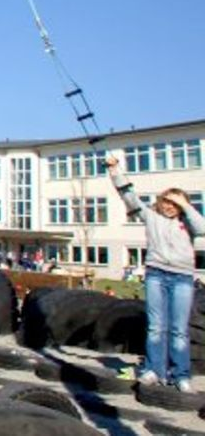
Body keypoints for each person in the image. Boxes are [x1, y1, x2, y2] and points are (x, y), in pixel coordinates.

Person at [108, 155, 205, 392]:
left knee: (178, 329)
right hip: (156, 274)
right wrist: (115, 170)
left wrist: (186, 204)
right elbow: (128, 197)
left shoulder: (188, 223)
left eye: (175, 204)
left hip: (182, 277)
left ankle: (180, 374)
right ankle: (154, 370)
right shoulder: (151, 217)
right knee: (155, 326)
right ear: (160, 202)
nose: (169, 207)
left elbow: (202, 229)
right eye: (167, 202)